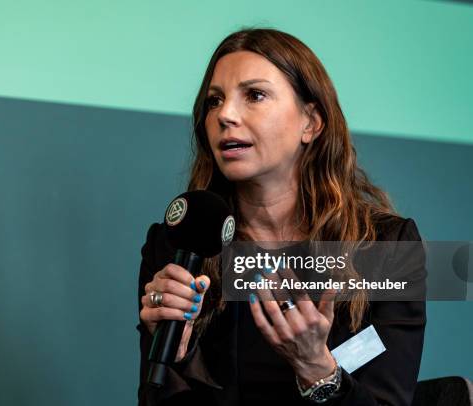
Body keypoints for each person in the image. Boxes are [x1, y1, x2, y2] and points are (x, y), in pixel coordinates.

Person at [137, 28, 426, 405]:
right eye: (214, 101)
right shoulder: (179, 242)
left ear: (311, 123)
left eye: (254, 95)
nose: (225, 114)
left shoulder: (387, 246)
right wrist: (180, 360)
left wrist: (317, 369)